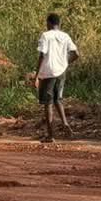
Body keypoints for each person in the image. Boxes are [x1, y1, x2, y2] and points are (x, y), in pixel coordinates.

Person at [34, 12, 79, 143]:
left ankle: (50, 136)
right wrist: (65, 63)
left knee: (48, 103)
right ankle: (65, 123)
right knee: (58, 99)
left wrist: (36, 76)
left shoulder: (45, 35)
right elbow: (76, 53)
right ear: (59, 24)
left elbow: (42, 56)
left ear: (48, 23)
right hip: (61, 72)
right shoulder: (65, 36)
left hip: (48, 73)